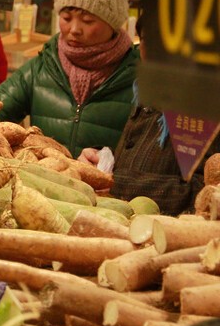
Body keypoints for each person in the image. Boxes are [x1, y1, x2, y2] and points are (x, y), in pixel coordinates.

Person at [0, 0, 138, 157]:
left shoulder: (138, 78)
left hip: (107, 189)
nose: (74, 29)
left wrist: (112, 165)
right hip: (42, 186)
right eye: (66, 18)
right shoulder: (43, 66)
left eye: (88, 21)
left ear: (114, 23)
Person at [81, 16, 220, 215]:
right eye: (147, 39)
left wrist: (116, 182)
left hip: (172, 236)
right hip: (128, 225)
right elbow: (142, 157)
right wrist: (101, 162)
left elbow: (204, 192)